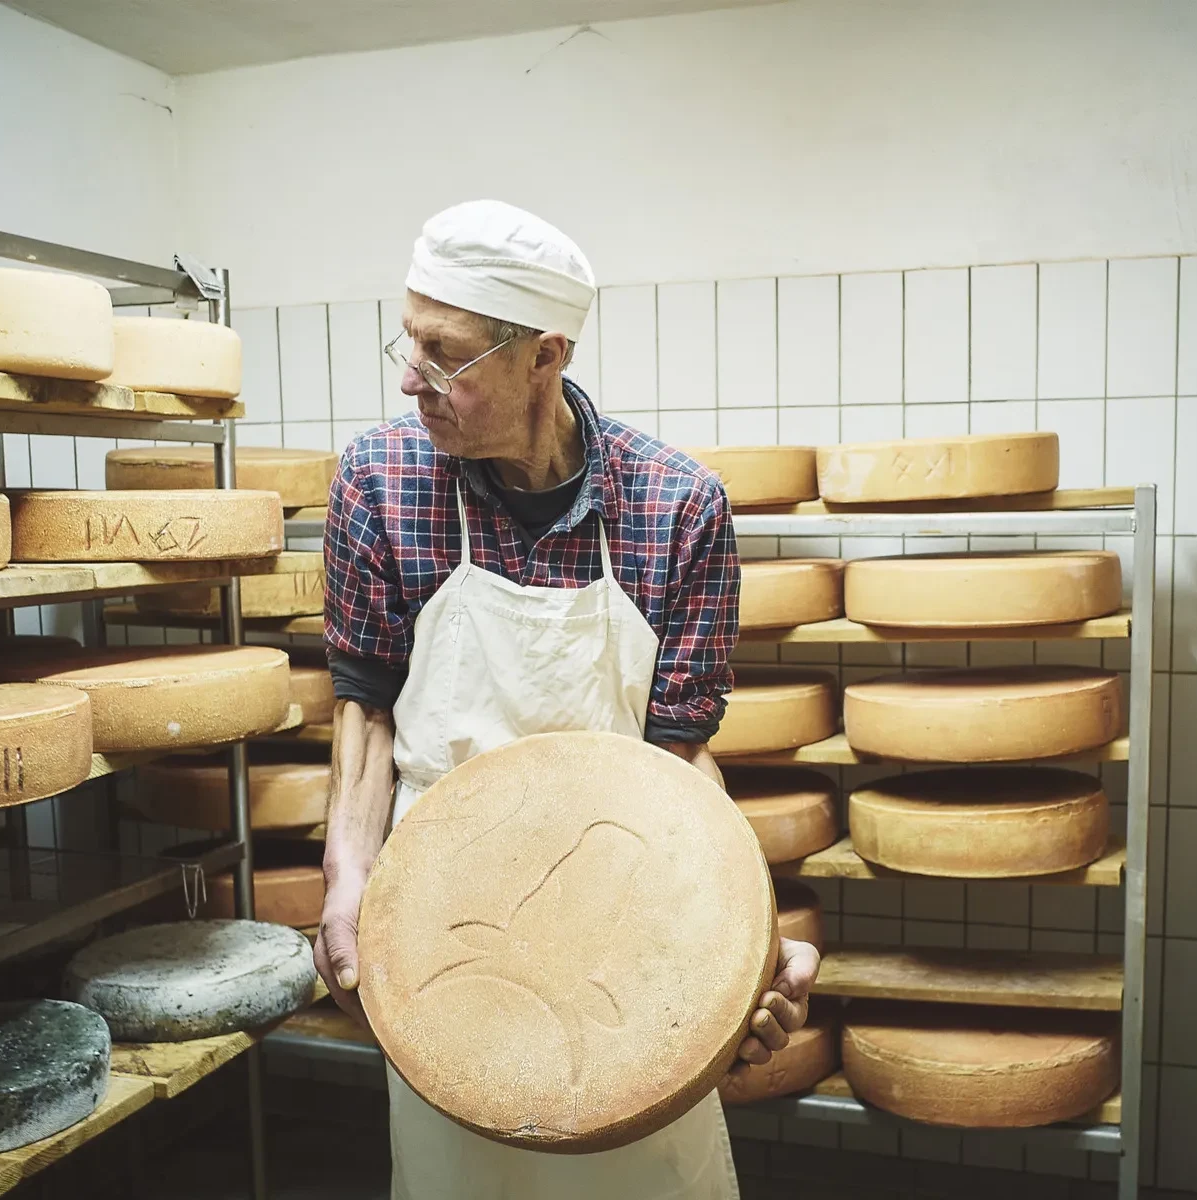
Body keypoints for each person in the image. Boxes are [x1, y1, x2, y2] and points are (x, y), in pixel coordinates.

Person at [312, 198, 820, 1199]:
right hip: (441, 914)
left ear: (543, 355)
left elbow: (678, 755)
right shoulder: (379, 479)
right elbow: (365, 708)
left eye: (443, 355)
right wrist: (344, 877)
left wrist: (740, 943)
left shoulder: (676, 506)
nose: (410, 377)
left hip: (617, 908)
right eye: (405, 343)